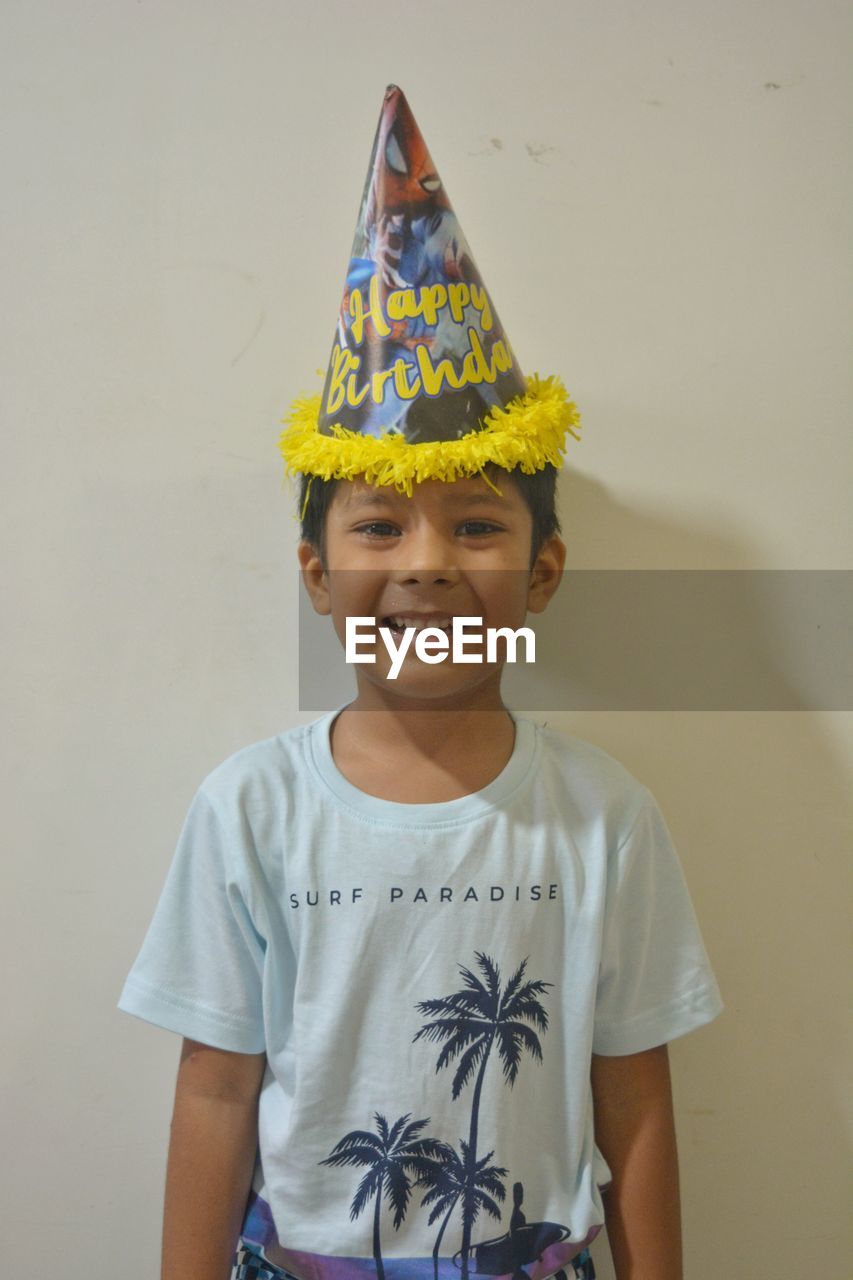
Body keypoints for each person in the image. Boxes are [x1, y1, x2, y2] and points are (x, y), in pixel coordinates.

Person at [118, 86, 723, 1280]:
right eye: (380, 525)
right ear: (316, 573)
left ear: (544, 570)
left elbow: (636, 1097)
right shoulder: (251, 810)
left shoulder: (606, 818)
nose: (429, 564)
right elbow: (216, 1087)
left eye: (479, 526)